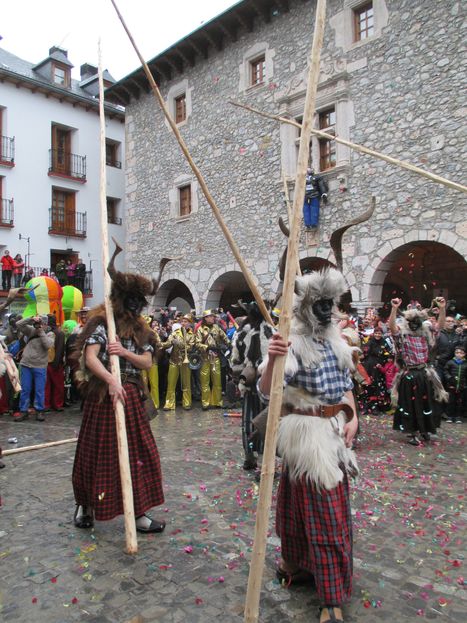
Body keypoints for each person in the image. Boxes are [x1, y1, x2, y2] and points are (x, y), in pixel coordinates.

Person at [257, 268, 359, 623]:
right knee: (303, 512)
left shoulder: (337, 341)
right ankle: (303, 570)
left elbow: (346, 386)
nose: (327, 312)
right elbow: (267, 390)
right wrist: (272, 357)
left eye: (331, 304)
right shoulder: (291, 341)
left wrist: (353, 417)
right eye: (321, 305)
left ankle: (328, 589)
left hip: (333, 432)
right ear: (306, 306)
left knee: (324, 514)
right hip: (306, 437)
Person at [71, 253, 166, 533]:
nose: (136, 306)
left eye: (140, 301)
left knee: (142, 454)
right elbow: (90, 358)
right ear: (121, 299)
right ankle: (85, 505)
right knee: (95, 454)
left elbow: (148, 362)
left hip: (132, 397)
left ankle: (138, 513)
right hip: (103, 398)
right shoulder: (102, 322)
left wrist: (124, 352)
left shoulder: (143, 331)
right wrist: (111, 381)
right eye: (131, 300)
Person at [389, 298, 448, 445]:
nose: (414, 324)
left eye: (417, 321)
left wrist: (442, 309)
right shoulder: (402, 335)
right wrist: (394, 309)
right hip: (409, 374)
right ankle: (412, 432)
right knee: (409, 404)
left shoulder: (426, 334)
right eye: (411, 321)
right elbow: (392, 328)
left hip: (424, 373)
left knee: (426, 403)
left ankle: (425, 430)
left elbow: (440, 325)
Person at [13, 315, 55, 422]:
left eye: (42, 323)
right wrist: (31, 319)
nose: (40, 325)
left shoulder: (50, 334)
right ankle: (23, 411)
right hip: (26, 364)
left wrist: (40, 331)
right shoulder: (31, 330)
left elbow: (48, 345)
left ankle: (40, 411)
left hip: (40, 365)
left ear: (45, 324)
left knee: (39, 390)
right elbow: (18, 324)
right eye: (39, 323)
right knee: (25, 389)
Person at [196, 310, 230, 410]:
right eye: (210, 316)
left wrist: (230, 345)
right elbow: (197, 343)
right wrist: (207, 347)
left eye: (212, 316)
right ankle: (205, 403)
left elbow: (225, 338)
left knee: (217, 381)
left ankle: (218, 402)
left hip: (215, 358)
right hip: (205, 359)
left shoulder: (217, 328)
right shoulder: (200, 329)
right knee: (205, 381)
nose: (212, 318)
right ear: (205, 318)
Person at [161, 314, 196, 410]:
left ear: (190, 323)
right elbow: (168, 343)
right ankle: (169, 403)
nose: (183, 323)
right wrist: (160, 343)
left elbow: (190, 347)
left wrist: (179, 343)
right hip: (174, 360)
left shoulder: (192, 335)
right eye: (182, 322)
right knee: (171, 383)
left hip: (185, 361)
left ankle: (187, 403)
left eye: (186, 322)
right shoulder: (175, 333)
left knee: (186, 383)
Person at [44, 314, 65, 412]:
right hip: (51, 363)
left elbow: (60, 349)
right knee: (54, 385)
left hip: (52, 363)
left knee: (51, 385)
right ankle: (55, 404)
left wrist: (56, 363)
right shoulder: (58, 332)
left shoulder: (58, 333)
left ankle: (50, 404)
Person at [444, 345, 467, 424]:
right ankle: (450, 416)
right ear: (454, 353)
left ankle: (458, 417)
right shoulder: (450, 362)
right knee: (451, 402)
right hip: (451, 386)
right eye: (457, 352)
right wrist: (449, 378)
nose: (458, 354)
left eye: (461, 353)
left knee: (459, 402)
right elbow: (445, 371)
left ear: (464, 354)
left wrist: (464, 384)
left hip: (461, 387)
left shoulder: (465, 364)